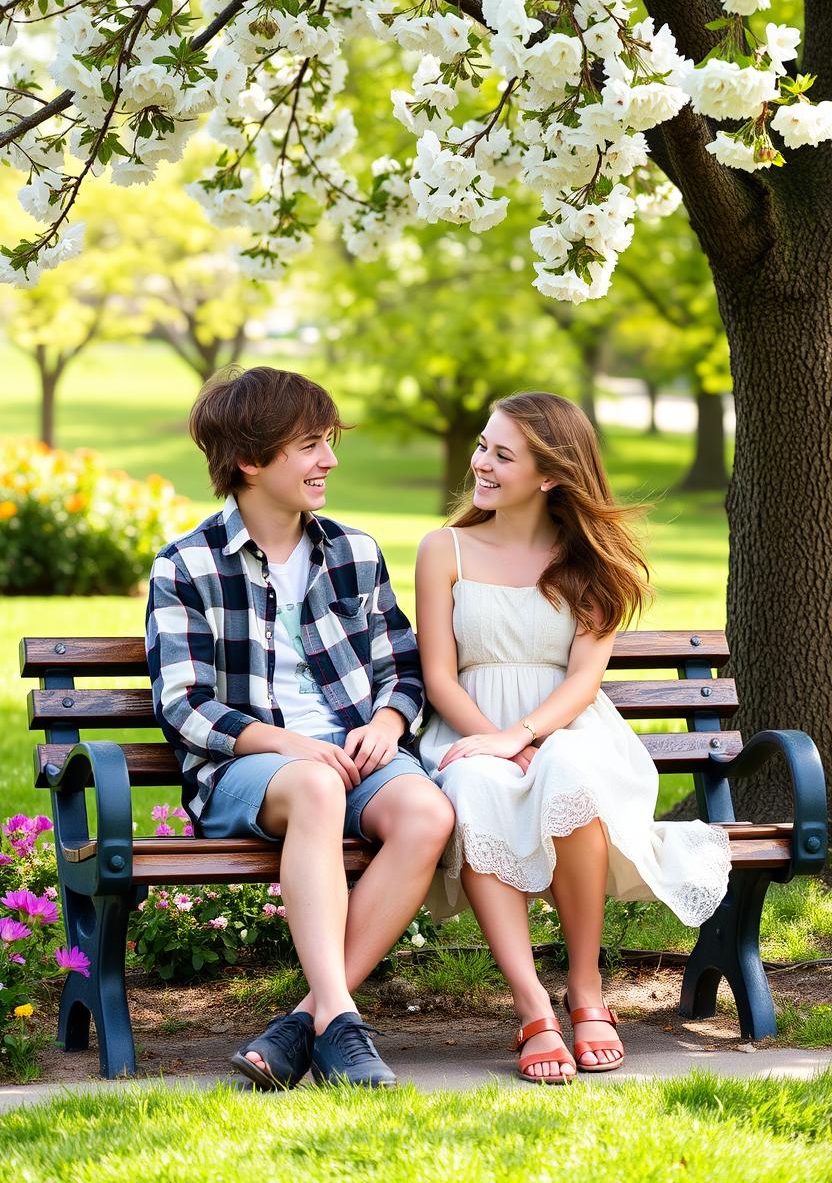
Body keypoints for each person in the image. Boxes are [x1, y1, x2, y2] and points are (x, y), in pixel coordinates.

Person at [146, 366, 455, 1090]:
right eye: (311, 445)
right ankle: (344, 1024)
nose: (330, 461)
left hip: (355, 753)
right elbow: (185, 705)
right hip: (250, 772)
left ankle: (308, 1021)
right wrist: (289, 744)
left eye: (328, 442)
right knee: (315, 787)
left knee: (427, 810)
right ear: (251, 461)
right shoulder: (187, 566)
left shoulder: (353, 552)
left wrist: (386, 719)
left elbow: (404, 668)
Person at [416, 392, 731, 1085]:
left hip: (569, 726)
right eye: (482, 447)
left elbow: (585, 680)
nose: (482, 465)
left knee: (569, 776)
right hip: (470, 723)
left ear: (551, 474)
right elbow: (439, 678)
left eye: (503, 455)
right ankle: (532, 1004)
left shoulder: (587, 559)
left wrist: (525, 736)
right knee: (472, 782)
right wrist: (495, 741)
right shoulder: (445, 550)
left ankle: (586, 988)